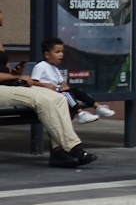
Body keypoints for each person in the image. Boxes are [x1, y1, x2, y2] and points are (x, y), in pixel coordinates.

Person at [0, 11, 98, 167]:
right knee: (41, 101)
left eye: (1, 24)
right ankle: (73, 147)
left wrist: (15, 73)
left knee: (59, 99)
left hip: (9, 84)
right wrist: (14, 78)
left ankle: (58, 152)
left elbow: (5, 70)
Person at [28, 36, 115, 124]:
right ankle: (81, 114)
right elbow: (33, 83)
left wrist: (73, 96)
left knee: (75, 91)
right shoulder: (40, 66)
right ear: (47, 54)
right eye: (57, 52)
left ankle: (98, 107)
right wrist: (46, 85)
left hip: (58, 94)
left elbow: (64, 85)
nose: (61, 54)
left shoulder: (54, 68)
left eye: (62, 52)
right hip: (47, 95)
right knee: (66, 93)